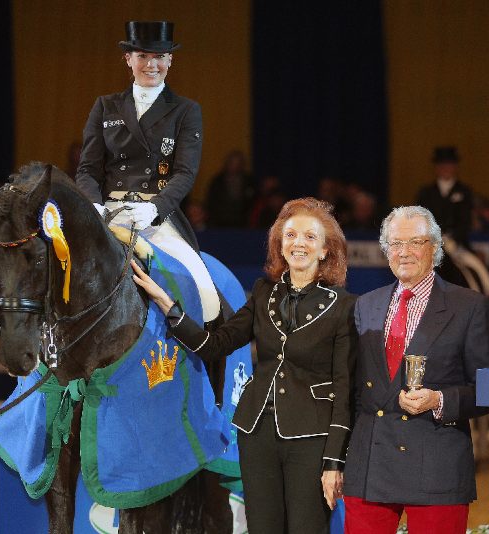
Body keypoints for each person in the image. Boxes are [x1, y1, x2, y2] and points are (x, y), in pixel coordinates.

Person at [132, 197, 357, 534]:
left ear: (325, 250)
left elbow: (344, 389)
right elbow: (215, 345)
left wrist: (334, 462)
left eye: (310, 237)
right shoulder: (264, 292)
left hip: (312, 437)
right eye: (291, 234)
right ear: (280, 243)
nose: (299, 243)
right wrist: (168, 305)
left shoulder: (344, 307)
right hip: (257, 434)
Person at [342, 205, 489, 534]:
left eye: (416, 242)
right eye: (396, 244)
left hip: (436, 466)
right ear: (385, 251)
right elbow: (353, 390)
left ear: (435, 247)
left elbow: (487, 391)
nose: (405, 252)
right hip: (370, 466)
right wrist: (338, 460)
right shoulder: (365, 305)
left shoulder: (469, 306)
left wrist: (439, 400)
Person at [75, 20, 219, 322]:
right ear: (128, 60)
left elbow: (185, 173)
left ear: (170, 60)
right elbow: (87, 169)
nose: (151, 64)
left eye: (159, 57)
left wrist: (154, 208)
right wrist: (93, 206)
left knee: (205, 291)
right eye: (142, 56)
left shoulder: (185, 110)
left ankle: (211, 358)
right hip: (108, 212)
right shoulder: (105, 106)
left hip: (156, 217)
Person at [415, 146, 474, 247]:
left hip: (458, 247)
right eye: (441, 164)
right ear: (436, 167)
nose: (445, 168)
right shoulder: (425, 193)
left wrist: (451, 238)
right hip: (431, 247)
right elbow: (420, 220)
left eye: (449, 164)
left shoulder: (465, 191)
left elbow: (466, 221)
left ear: (455, 166)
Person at [204, 149, 256, 227]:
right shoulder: (217, 181)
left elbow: (253, 202)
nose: (235, 166)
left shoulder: (249, 181)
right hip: (220, 224)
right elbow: (211, 202)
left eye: (238, 163)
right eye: (233, 163)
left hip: (243, 224)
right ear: (227, 163)